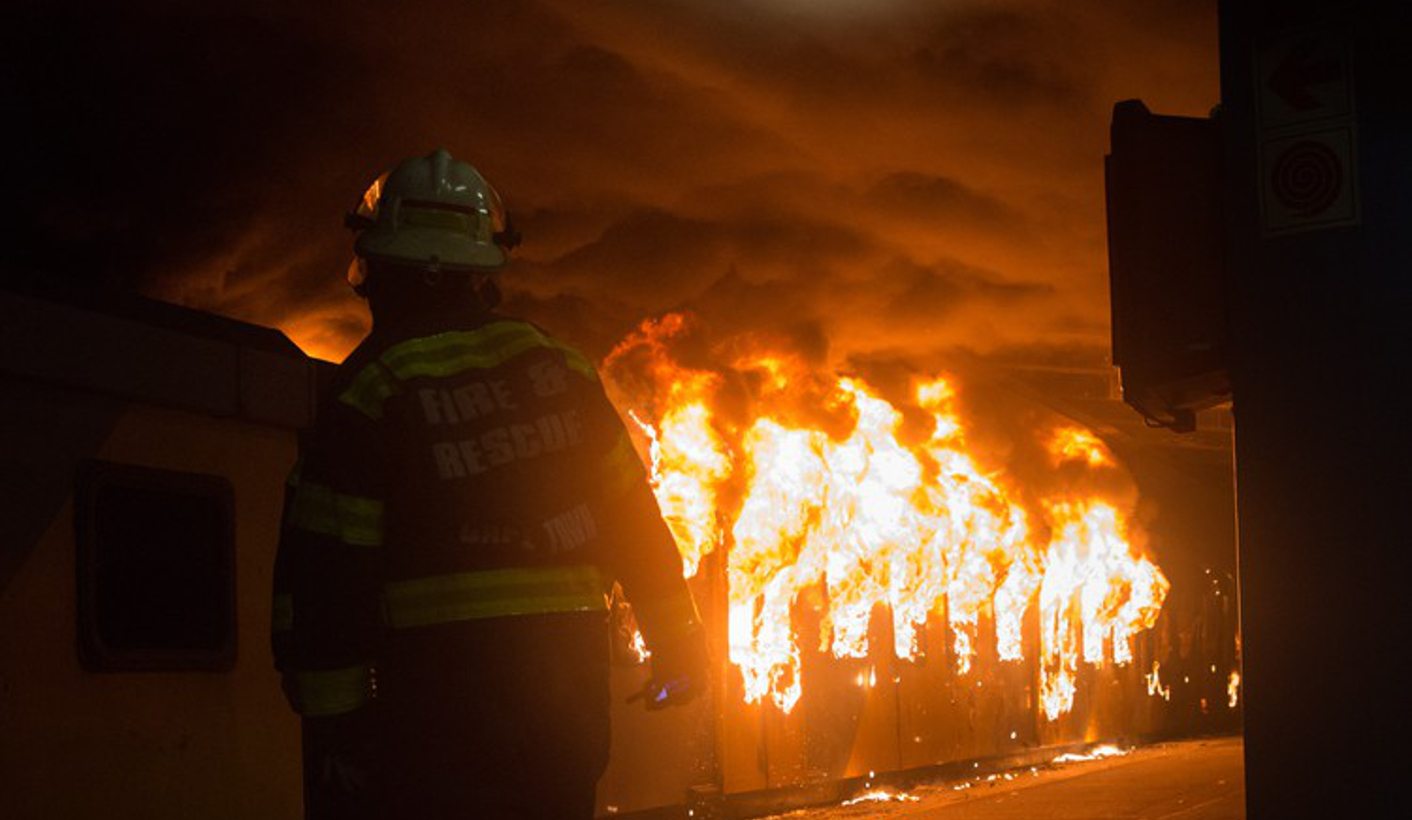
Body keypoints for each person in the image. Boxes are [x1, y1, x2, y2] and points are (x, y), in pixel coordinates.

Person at [270, 148, 707, 819]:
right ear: (484, 272)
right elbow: (633, 522)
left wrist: (339, 734)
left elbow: (329, 575)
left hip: (437, 723)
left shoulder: (374, 389)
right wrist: (679, 645)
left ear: (380, 269)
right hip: (564, 720)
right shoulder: (559, 369)